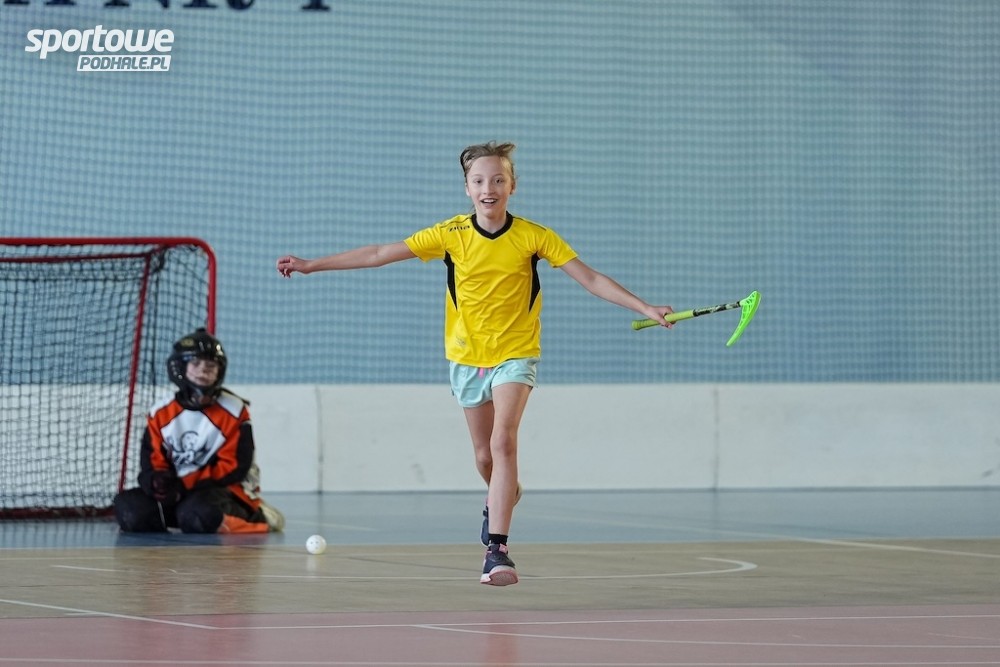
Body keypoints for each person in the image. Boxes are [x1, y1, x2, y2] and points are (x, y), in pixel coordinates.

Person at [276, 141, 672, 585]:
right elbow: (377, 254)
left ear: (512, 186)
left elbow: (591, 277)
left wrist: (645, 307)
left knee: (503, 442)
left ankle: (497, 552)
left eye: (499, 180)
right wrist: (311, 265)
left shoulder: (534, 236)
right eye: (479, 181)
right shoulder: (450, 234)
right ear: (467, 188)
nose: (489, 188)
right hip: (466, 358)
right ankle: (503, 492)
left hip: (516, 353)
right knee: (485, 457)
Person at [113, 328, 285, 535]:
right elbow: (152, 460)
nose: (203, 371)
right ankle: (182, 521)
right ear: (181, 367)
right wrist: (157, 482)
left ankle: (260, 518)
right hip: (180, 492)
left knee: (197, 513)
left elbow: (233, 468)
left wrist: (184, 484)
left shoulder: (235, 411)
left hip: (222, 490)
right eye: (196, 364)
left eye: (211, 366)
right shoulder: (160, 412)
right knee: (130, 510)